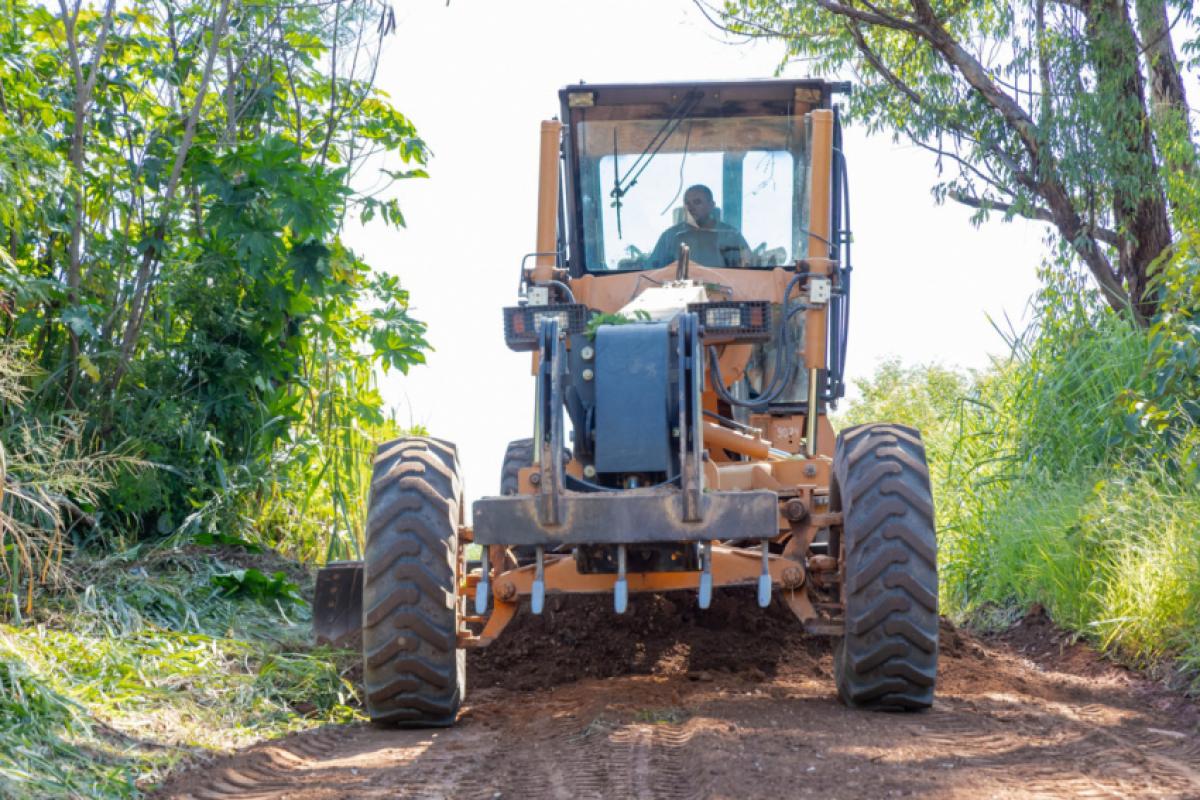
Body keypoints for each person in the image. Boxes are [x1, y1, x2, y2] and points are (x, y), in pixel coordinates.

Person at [646, 184, 752, 269]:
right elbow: (651, 273)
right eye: (687, 203)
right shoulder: (669, 237)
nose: (691, 208)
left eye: (697, 202)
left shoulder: (731, 235)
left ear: (711, 205)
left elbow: (746, 271)